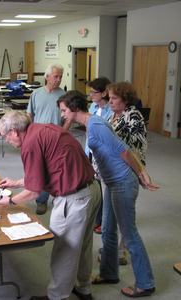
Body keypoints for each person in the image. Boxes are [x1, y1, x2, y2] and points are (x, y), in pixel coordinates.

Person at [58, 90, 158, 298]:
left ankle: (146, 283)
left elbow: (124, 150)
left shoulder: (96, 124)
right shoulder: (90, 124)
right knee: (108, 230)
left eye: (64, 110)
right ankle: (109, 273)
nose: (62, 115)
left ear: (75, 109)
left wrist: (141, 172)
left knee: (129, 235)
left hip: (123, 182)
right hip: (111, 182)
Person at [0, 110, 101, 300]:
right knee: (83, 245)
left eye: (5, 137)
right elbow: (46, 171)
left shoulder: (29, 144)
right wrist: (16, 182)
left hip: (74, 198)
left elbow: (35, 192)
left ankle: (57, 297)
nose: (6, 141)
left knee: (65, 250)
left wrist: (10, 201)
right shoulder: (41, 129)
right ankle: (84, 288)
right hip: (91, 189)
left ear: (14, 131)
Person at [105, 81, 148, 266]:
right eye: (109, 98)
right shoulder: (113, 115)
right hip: (110, 174)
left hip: (125, 175)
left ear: (125, 99)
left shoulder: (134, 116)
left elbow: (137, 150)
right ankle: (112, 253)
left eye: (114, 98)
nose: (110, 102)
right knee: (109, 221)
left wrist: (141, 173)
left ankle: (122, 251)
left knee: (126, 222)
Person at [26, 63, 66, 215]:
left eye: (60, 77)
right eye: (56, 76)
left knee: (55, 170)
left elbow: (68, 117)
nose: (58, 79)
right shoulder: (36, 94)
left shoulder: (63, 96)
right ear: (47, 76)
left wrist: (64, 131)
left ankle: (57, 198)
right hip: (38, 139)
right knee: (39, 170)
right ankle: (41, 201)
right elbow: (30, 116)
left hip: (56, 139)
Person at [86, 77, 112, 235]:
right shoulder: (92, 107)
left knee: (105, 191)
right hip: (90, 152)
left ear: (104, 93)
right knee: (95, 189)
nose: (90, 96)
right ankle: (98, 219)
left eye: (93, 93)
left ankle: (104, 221)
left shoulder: (111, 110)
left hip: (104, 155)